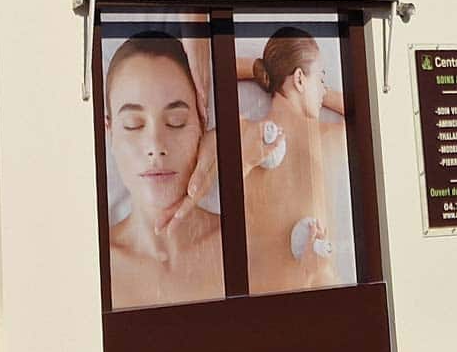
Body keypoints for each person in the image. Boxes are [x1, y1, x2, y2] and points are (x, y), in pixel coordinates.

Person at [104, 32, 225, 308]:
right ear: (110, 133)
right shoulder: (89, 266)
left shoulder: (246, 241)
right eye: (134, 124)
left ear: (202, 127)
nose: (155, 146)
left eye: (176, 121)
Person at [239, 26, 348, 294]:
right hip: (320, 293)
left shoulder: (243, 133)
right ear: (300, 79)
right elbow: (369, 111)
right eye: (321, 79)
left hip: (265, 300)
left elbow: (219, 75)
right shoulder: (325, 136)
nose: (323, 91)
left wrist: (263, 74)